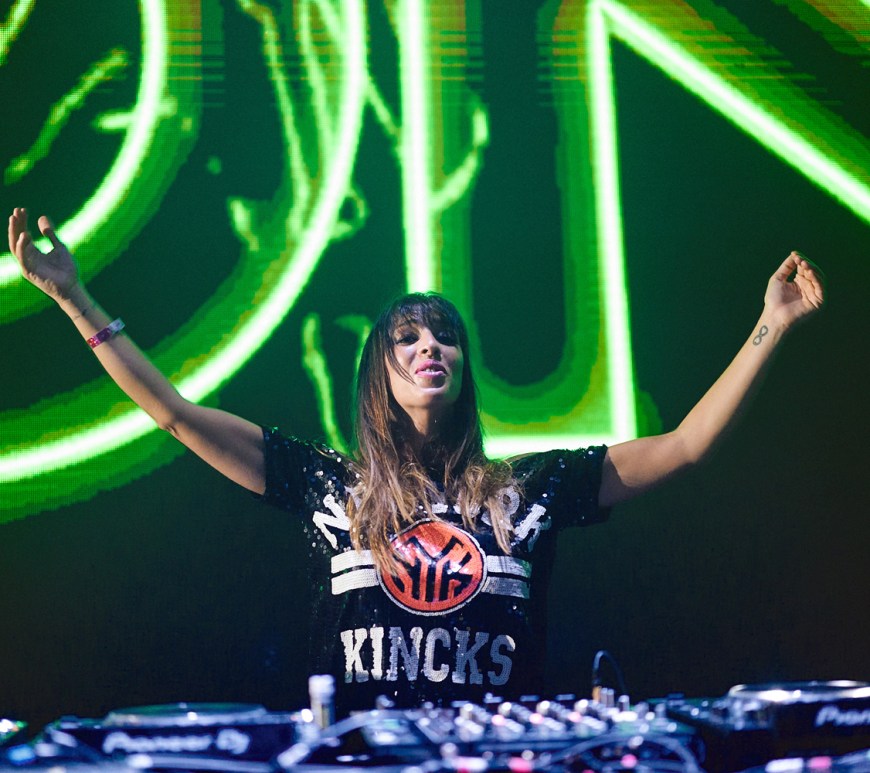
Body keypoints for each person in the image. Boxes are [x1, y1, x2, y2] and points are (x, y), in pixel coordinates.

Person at [8, 207, 825, 715]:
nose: (430, 345)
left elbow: (684, 446)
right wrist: (75, 298)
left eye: (445, 336)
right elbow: (175, 415)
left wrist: (771, 324)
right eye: (408, 336)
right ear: (381, 372)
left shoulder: (530, 490)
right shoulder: (327, 485)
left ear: (464, 368)